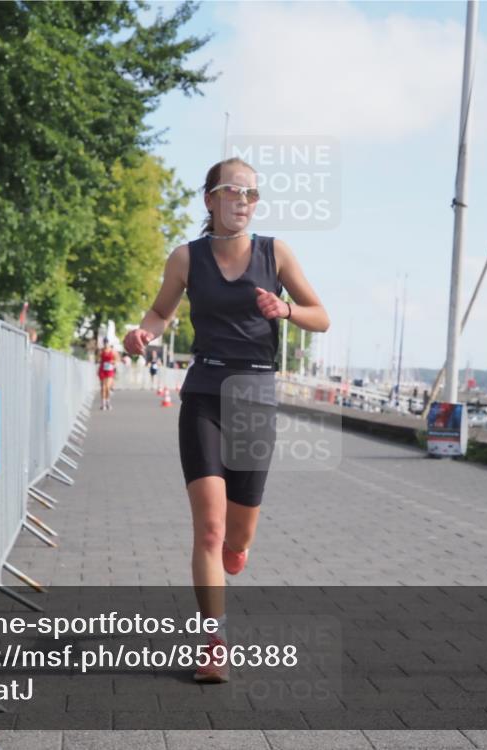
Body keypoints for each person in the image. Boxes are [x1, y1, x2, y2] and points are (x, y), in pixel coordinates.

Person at [123, 157, 330, 683]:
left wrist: (285, 311)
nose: (244, 200)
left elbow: (320, 316)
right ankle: (212, 641)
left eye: (253, 194)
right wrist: (141, 334)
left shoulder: (275, 252)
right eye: (233, 190)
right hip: (204, 392)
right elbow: (160, 312)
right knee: (210, 529)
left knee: (238, 535)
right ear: (210, 198)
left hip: (256, 393)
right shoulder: (186, 258)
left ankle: (238, 550)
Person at [98, 337, 117, 410]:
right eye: (104, 342)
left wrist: (112, 362)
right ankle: (103, 404)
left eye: (107, 342)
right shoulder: (101, 351)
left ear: (109, 343)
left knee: (108, 388)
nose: (106, 343)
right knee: (103, 387)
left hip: (110, 370)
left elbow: (116, 360)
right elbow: (98, 359)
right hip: (102, 370)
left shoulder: (113, 351)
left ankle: (108, 402)